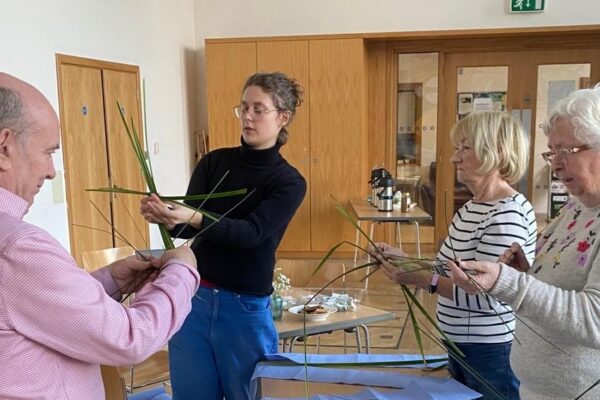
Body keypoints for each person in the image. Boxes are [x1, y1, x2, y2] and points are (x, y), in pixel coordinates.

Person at [0, 73, 200, 400]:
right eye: (48, 152)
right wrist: (182, 270)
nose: (51, 171)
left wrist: (108, 281)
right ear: (5, 147)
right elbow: (130, 338)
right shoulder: (17, 248)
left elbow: (29, 310)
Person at [140, 71, 306, 399]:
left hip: (244, 307)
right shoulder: (214, 162)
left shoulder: (289, 182)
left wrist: (193, 217)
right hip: (193, 298)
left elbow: (250, 234)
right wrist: (166, 217)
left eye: (259, 109)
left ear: (283, 117)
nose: (248, 116)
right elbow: (188, 226)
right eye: (244, 107)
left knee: (249, 394)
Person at [449, 85, 600, 400]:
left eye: (565, 151)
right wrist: (526, 274)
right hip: (537, 388)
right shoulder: (576, 207)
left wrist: (509, 283)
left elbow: (594, 320)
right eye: (551, 152)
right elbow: (558, 288)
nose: (555, 164)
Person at [376, 111, 537, 399]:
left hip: (489, 349)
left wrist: (423, 280)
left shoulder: (506, 214)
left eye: (465, 148)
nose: (453, 158)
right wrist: (408, 260)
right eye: (456, 148)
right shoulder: (472, 207)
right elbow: (453, 268)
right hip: (461, 343)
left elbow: (487, 296)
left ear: (497, 152)